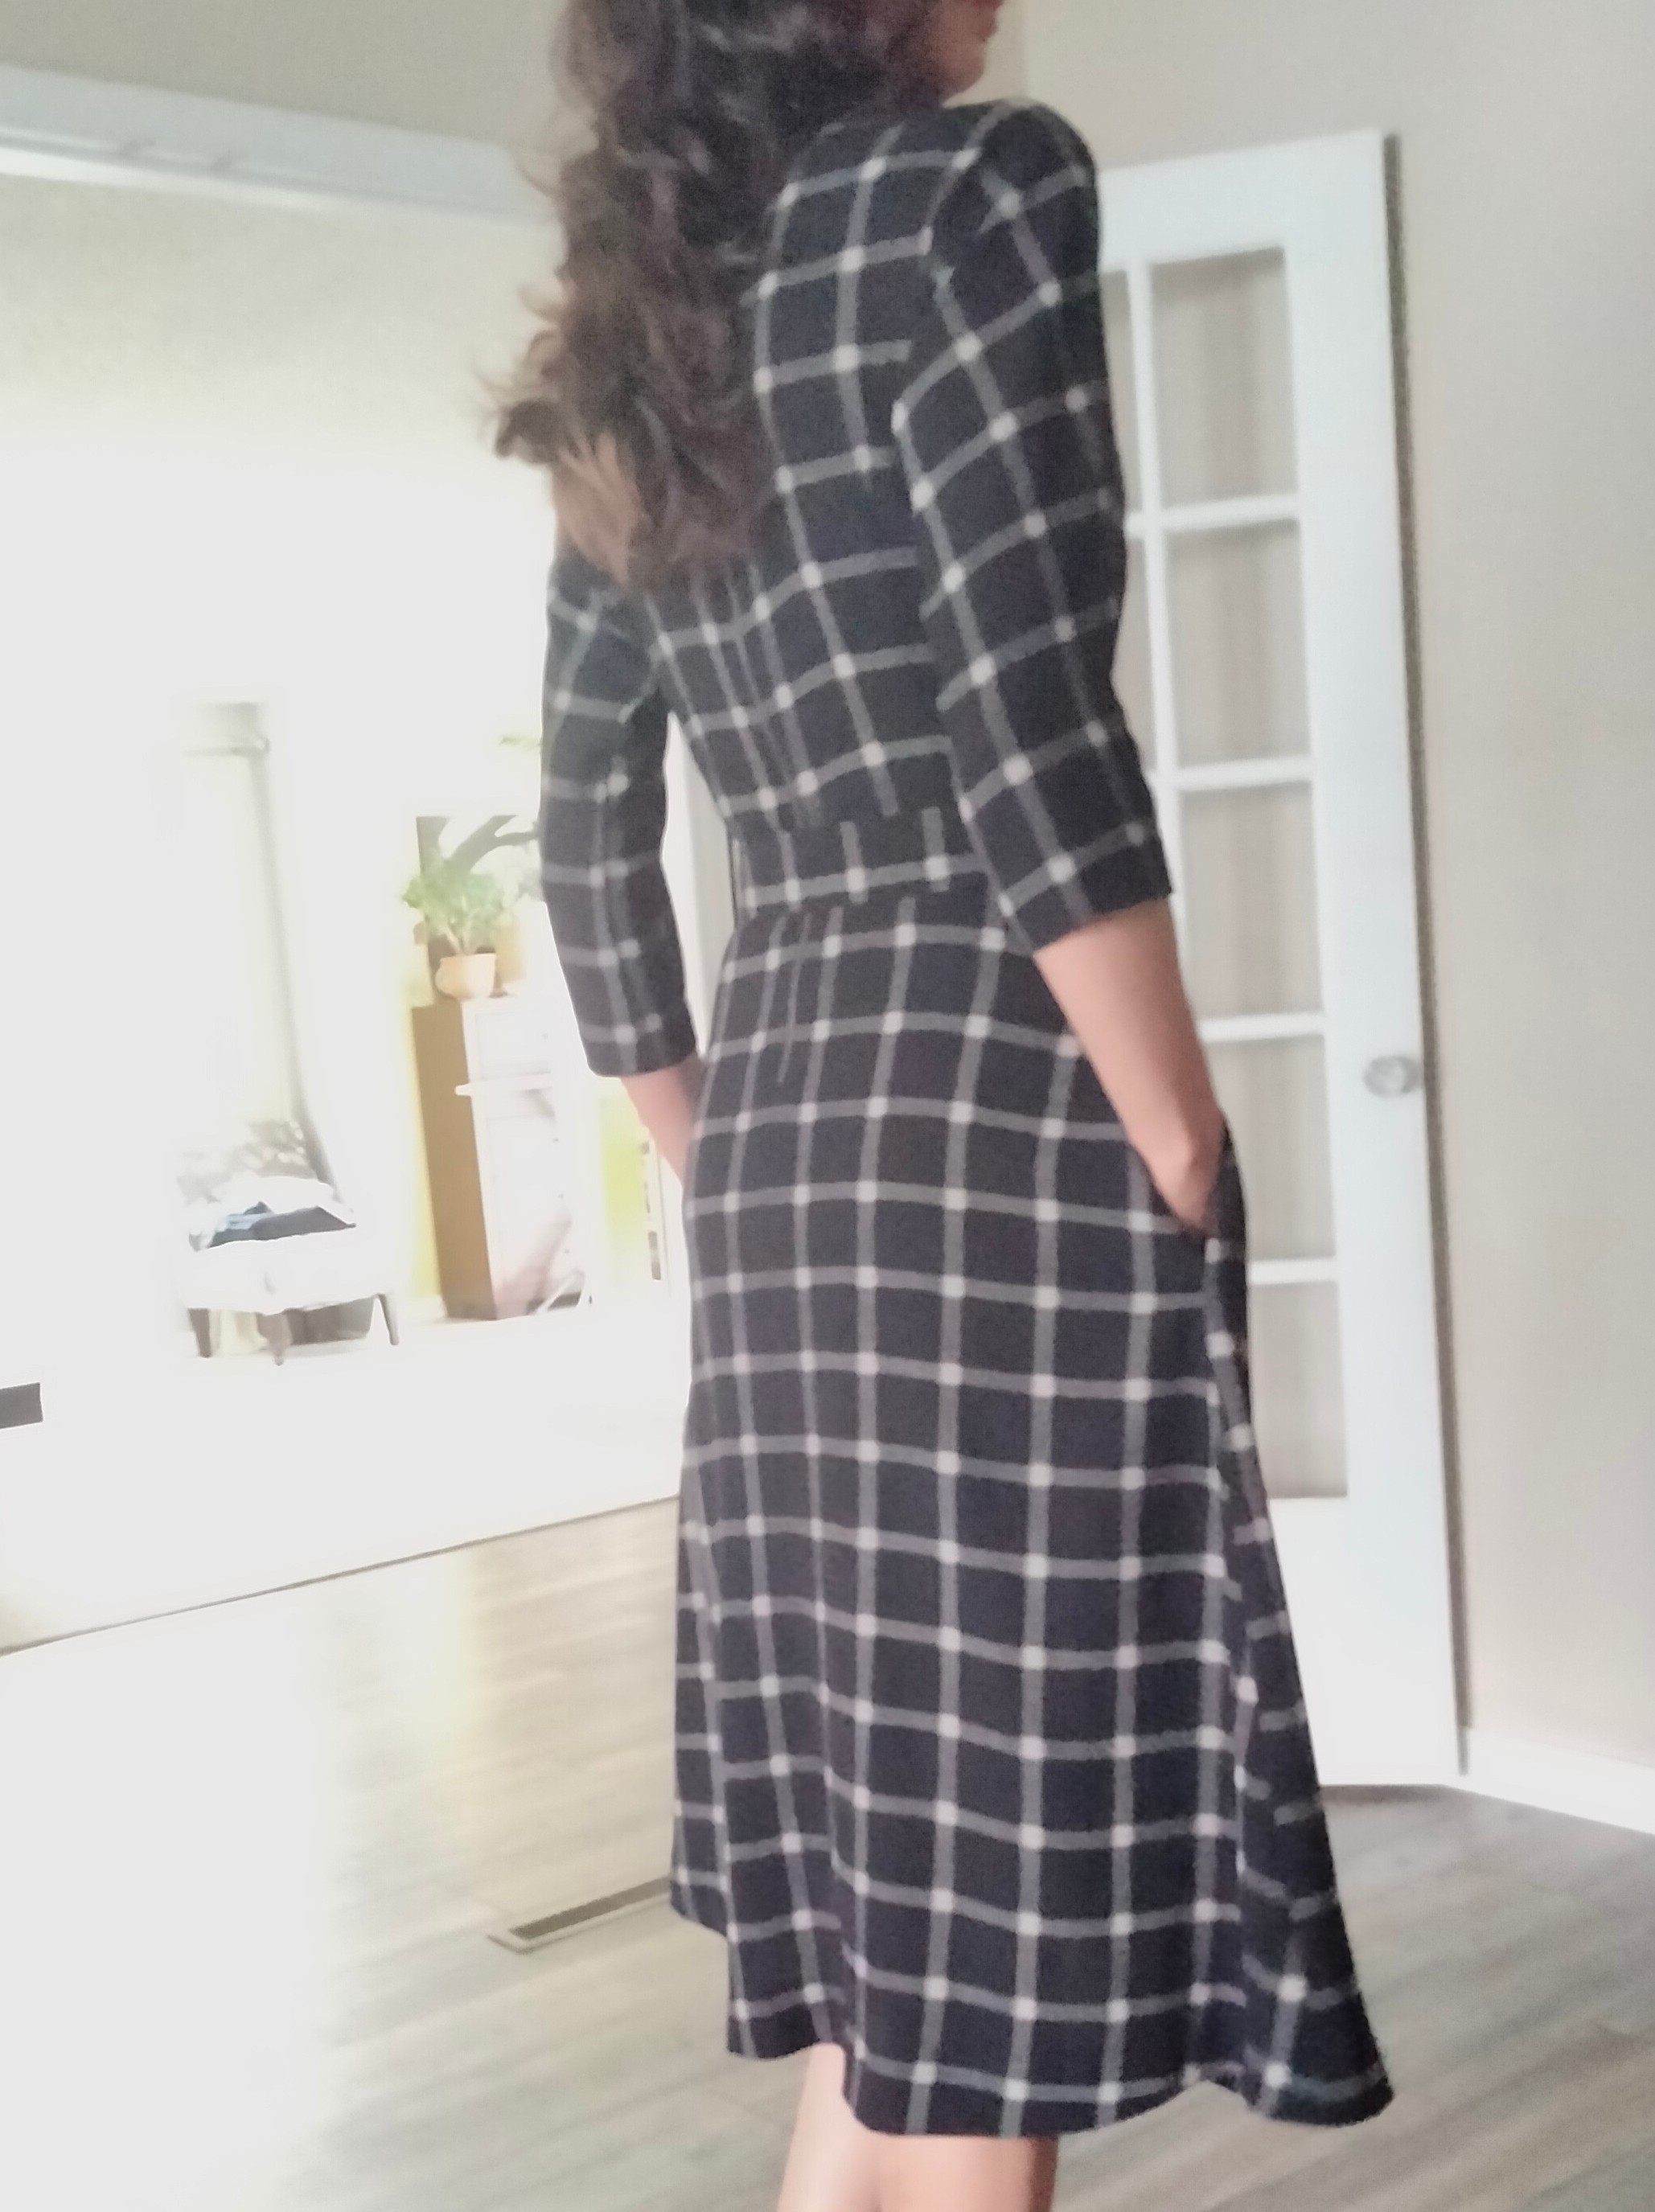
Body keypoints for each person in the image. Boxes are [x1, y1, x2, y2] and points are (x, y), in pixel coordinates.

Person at [498, 2, 1396, 2206]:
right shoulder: (969, 192)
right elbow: (1023, 718)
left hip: (786, 1104)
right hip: (995, 1085)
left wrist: (714, 1154)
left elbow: (584, 834)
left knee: (889, 1931)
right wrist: (1175, 1131)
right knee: (990, 1918)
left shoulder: (642, 312)